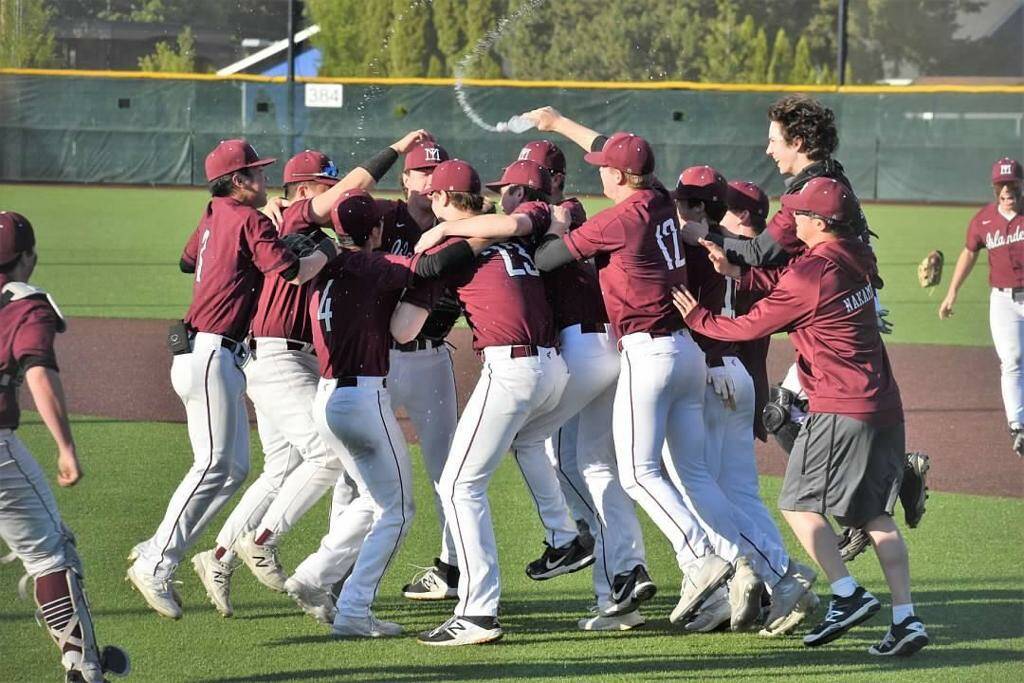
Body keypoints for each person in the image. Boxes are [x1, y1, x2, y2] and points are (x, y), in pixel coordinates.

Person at [674, 177, 929, 656]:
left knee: (796, 504)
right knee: (873, 514)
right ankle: (905, 618)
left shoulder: (812, 272)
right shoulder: (855, 254)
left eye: (797, 215)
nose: (790, 222)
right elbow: (792, 284)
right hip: (883, 405)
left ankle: (848, 595)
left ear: (817, 222)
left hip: (839, 408)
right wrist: (739, 271)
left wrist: (699, 320)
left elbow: (755, 322)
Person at [415, 158, 651, 631]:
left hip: (572, 353)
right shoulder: (558, 216)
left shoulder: (535, 216)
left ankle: (575, 557)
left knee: (555, 467)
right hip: (602, 346)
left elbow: (497, 225)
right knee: (584, 462)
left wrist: (438, 236)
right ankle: (616, 578)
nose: (502, 196)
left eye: (509, 188)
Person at [522, 107, 735, 627]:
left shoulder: (619, 218)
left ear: (617, 176)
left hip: (648, 352)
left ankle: (698, 558)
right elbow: (609, 145)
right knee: (687, 473)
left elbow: (549, 259)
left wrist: (553, 227)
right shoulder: (659, 198)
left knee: (638, 473)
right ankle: (746, 567)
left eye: (603, 166)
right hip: (685, 349)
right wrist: (558, 124)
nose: (598, 170)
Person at [126, 139, 338, 619]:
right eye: (258, 174)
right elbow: (290, 272)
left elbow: (187, 261)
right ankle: (157, 560)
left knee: (232, 468)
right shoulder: (248, 218)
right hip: (210, 353)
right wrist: (322, 250)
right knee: (213, 465)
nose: (265, 181)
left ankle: (158, 550)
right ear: (239, 182)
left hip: (207, 352)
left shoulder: (212, 214)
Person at [392, 160, 570, 646]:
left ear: (444, 199)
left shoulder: (453, 243)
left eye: (434, 195)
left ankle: (478, 611)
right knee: (521, 450)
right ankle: (566, 537)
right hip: (554, 366)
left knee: (457, 485)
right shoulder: (512, 230)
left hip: (513, 367)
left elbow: (402, 330)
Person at [296, 189, 483, 637]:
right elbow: (428, 268)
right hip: (362, 398)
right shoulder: (372, 266)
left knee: (369, 499)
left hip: (326, 397)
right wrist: (473, 235)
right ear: (376, 231)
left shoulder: (326, 267)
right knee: (396, 510)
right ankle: (354, 608)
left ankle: (313, 575)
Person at [673, 166, 813, 635]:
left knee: (701, 488)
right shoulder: (765, 263)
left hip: (715, 373)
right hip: (744, 379)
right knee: (740, 492)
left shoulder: (715, 251)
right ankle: (769, 578)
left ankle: (746, 571)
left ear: (739, 214)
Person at [0, 211, 131, 682]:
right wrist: (66, 446)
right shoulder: (25, 306)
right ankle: (83, 664)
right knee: (51, 554)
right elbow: (37, 371)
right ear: (28, 256)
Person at [940, 157, 1024, 457]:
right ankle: (1017, 425)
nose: (1007, 189)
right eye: (1002, 184)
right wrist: (952, 293)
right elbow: (969, 253)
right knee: (1012, 360)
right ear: (994, 188)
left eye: (1012, 182)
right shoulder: (984, 220)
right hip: (1002, 300)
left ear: (1020, 185)